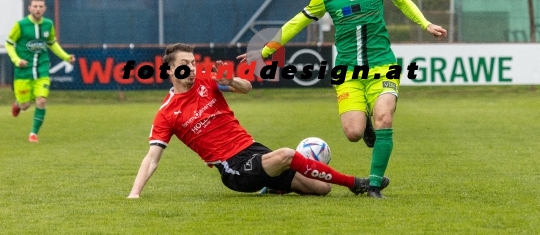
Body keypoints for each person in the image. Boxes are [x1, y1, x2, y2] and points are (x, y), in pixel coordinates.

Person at [238, 0, 447, 199]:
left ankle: (373, 185)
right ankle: (366, 126)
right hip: (348, 71)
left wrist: (425, 23)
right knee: (353, 133)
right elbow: (296, 22)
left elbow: (402, 0)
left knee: (384, 116)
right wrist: (266, 50)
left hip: (383, 65)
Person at [127, 43, 389, 198]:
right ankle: (356, 184)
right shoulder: (167, 112)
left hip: (253, 150)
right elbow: (152, 157)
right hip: (234, 168)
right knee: (287, 154)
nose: (193, 68)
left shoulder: (209, 81)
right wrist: (135, 193)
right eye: (185, 64)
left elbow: (246, 87)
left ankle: (272, 188)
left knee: (321, 190)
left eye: (193, 63)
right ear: (170, 70)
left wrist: (229, 80)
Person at [5, 0, 75, 143]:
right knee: (24, 105)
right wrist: (16, 60)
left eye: (40, 6)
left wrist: (66, 57)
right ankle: (18, 104)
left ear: (44, 9)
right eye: (35, 6)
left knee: (41, 101)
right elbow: (9, 44)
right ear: (29, 8)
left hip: (42, 68)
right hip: (23, 71)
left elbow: (52, 43)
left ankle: (33, 134)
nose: (38, 9)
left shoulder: (48, 24)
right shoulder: (21, 25)